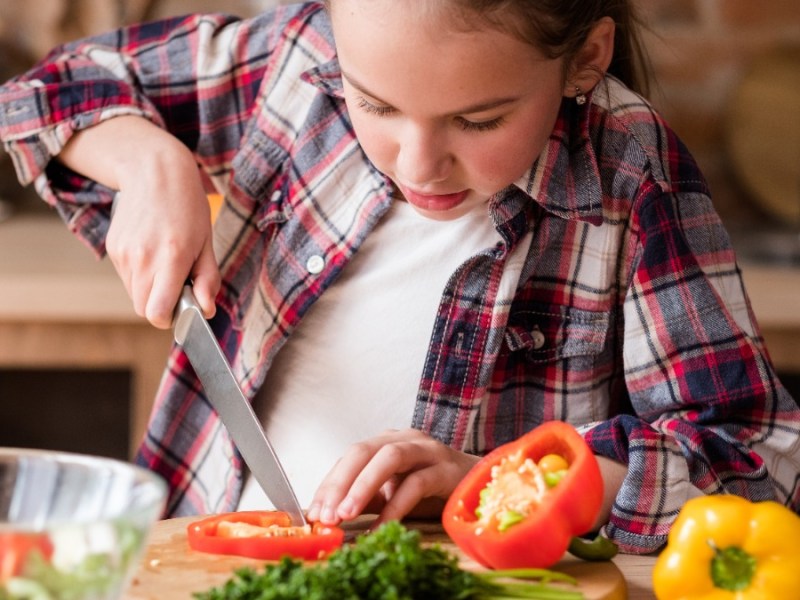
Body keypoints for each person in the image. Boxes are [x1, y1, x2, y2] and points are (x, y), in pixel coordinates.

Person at [1, 0, 799, 555]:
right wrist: (145, 157)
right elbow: (45, 92)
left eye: (478, 120)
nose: (417, 165)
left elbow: (760, 461)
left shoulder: (629, 170)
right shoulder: (298, 62)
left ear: (585, 58)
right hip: (197, 560)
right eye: (374, 104)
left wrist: (508, 480)